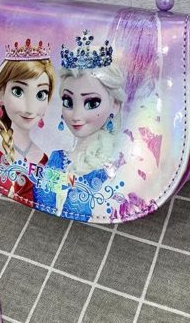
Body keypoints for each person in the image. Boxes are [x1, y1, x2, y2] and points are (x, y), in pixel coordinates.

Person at [34, 30, 126, 221]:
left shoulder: (114, 167)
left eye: (91, 103)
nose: (76, 115)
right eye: (68, 102)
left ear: (115, 105)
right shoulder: (56, 159)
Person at [0, 38, 56, 208]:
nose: (30, 108)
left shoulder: (45, 158)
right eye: (18, 91)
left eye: (41, 95)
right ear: (1, 94)